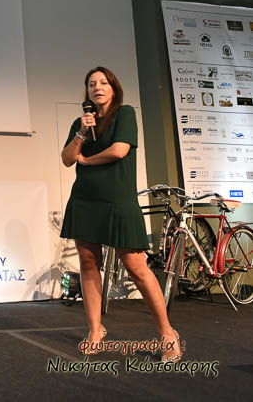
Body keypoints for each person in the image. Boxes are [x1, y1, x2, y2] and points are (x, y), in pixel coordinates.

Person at [60, 66, 181, 361]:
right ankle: (95, 330)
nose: (97, 87)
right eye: (92, 84)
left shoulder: (125, 114)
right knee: (89, 264)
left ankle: (167, 333)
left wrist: (86, 161)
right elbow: (67, 159)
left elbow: (118, 151)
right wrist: (81, 133)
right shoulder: (81, 122)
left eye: (103, 83)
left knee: (137, 267)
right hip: (85, 200)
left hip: (117, 200)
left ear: (113, 89)